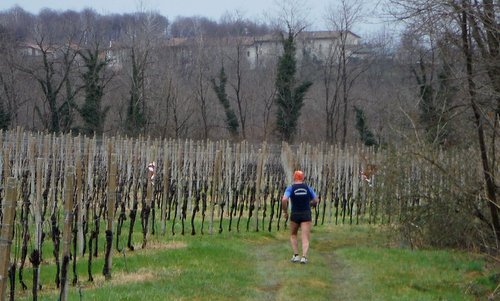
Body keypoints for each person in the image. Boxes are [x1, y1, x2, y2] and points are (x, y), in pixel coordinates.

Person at [281, 170, 319, 264]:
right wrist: (309, 204)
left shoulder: (291, 188)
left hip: (295, 214)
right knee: (305, 237)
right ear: (303, 178)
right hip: (306, 213)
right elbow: (316, 200)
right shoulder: (308, 188)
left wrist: (285, 211)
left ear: (294, 178)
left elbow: (284, 199)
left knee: (293, 234)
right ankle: (304, 257)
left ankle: (296, 255)